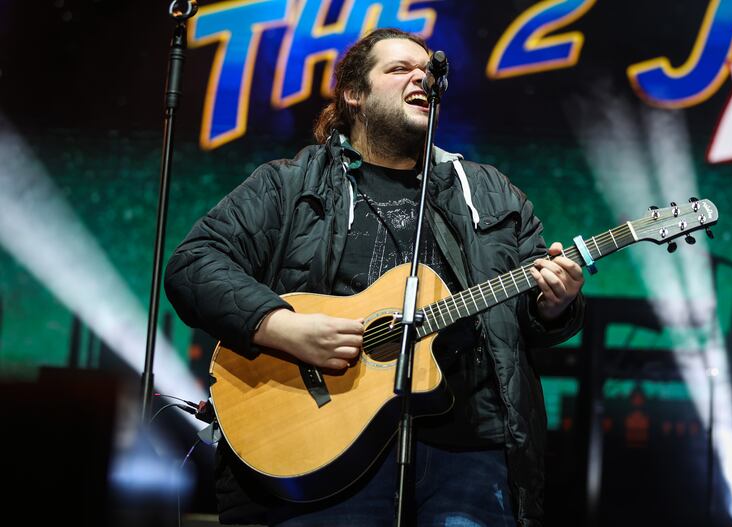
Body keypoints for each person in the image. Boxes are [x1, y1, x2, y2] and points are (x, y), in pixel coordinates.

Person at [165, 27, 585, 527]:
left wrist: (551, 305)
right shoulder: (291, 183)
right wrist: (286, 328)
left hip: (472, 450)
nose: (421, 77)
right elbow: (193, 265)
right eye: (400, 68)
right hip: (323, 442)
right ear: (354, 93)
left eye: (428, 70)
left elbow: (526, 317)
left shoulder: (489, 191)